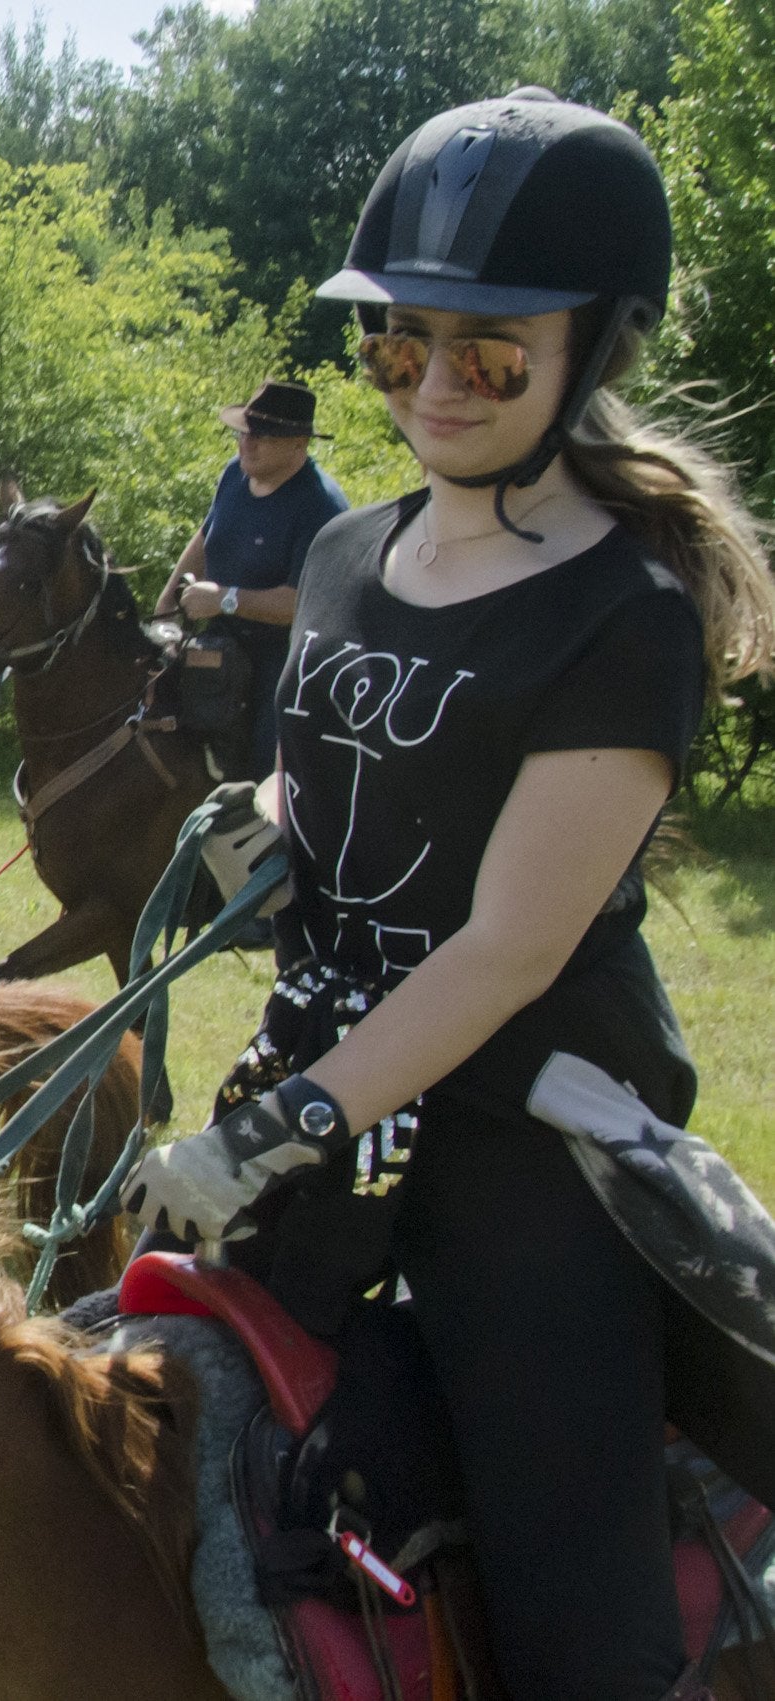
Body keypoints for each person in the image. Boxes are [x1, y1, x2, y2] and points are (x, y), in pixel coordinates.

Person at [125, 89, 775, 1701]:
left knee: (579, 1623)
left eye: (484, 358)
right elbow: (315, 780)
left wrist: (276, 1133)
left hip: (515, 1143)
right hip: (314, 1084)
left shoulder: (621, 618)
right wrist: (256, 824)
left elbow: (502, 950)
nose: (429, 388)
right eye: (394, 349)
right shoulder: (350, 555)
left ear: (591, 354)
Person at [156, 379, 350, 778]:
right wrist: (164, 611)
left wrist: (225, 599)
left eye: (262, 435)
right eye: (244, 432)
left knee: (265, 771)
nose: (247, 443)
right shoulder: (234, 474)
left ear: (299, 443)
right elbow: (206, 536)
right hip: (218, 647)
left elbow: (300, 603)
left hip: (284, 665)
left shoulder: (321, 506)